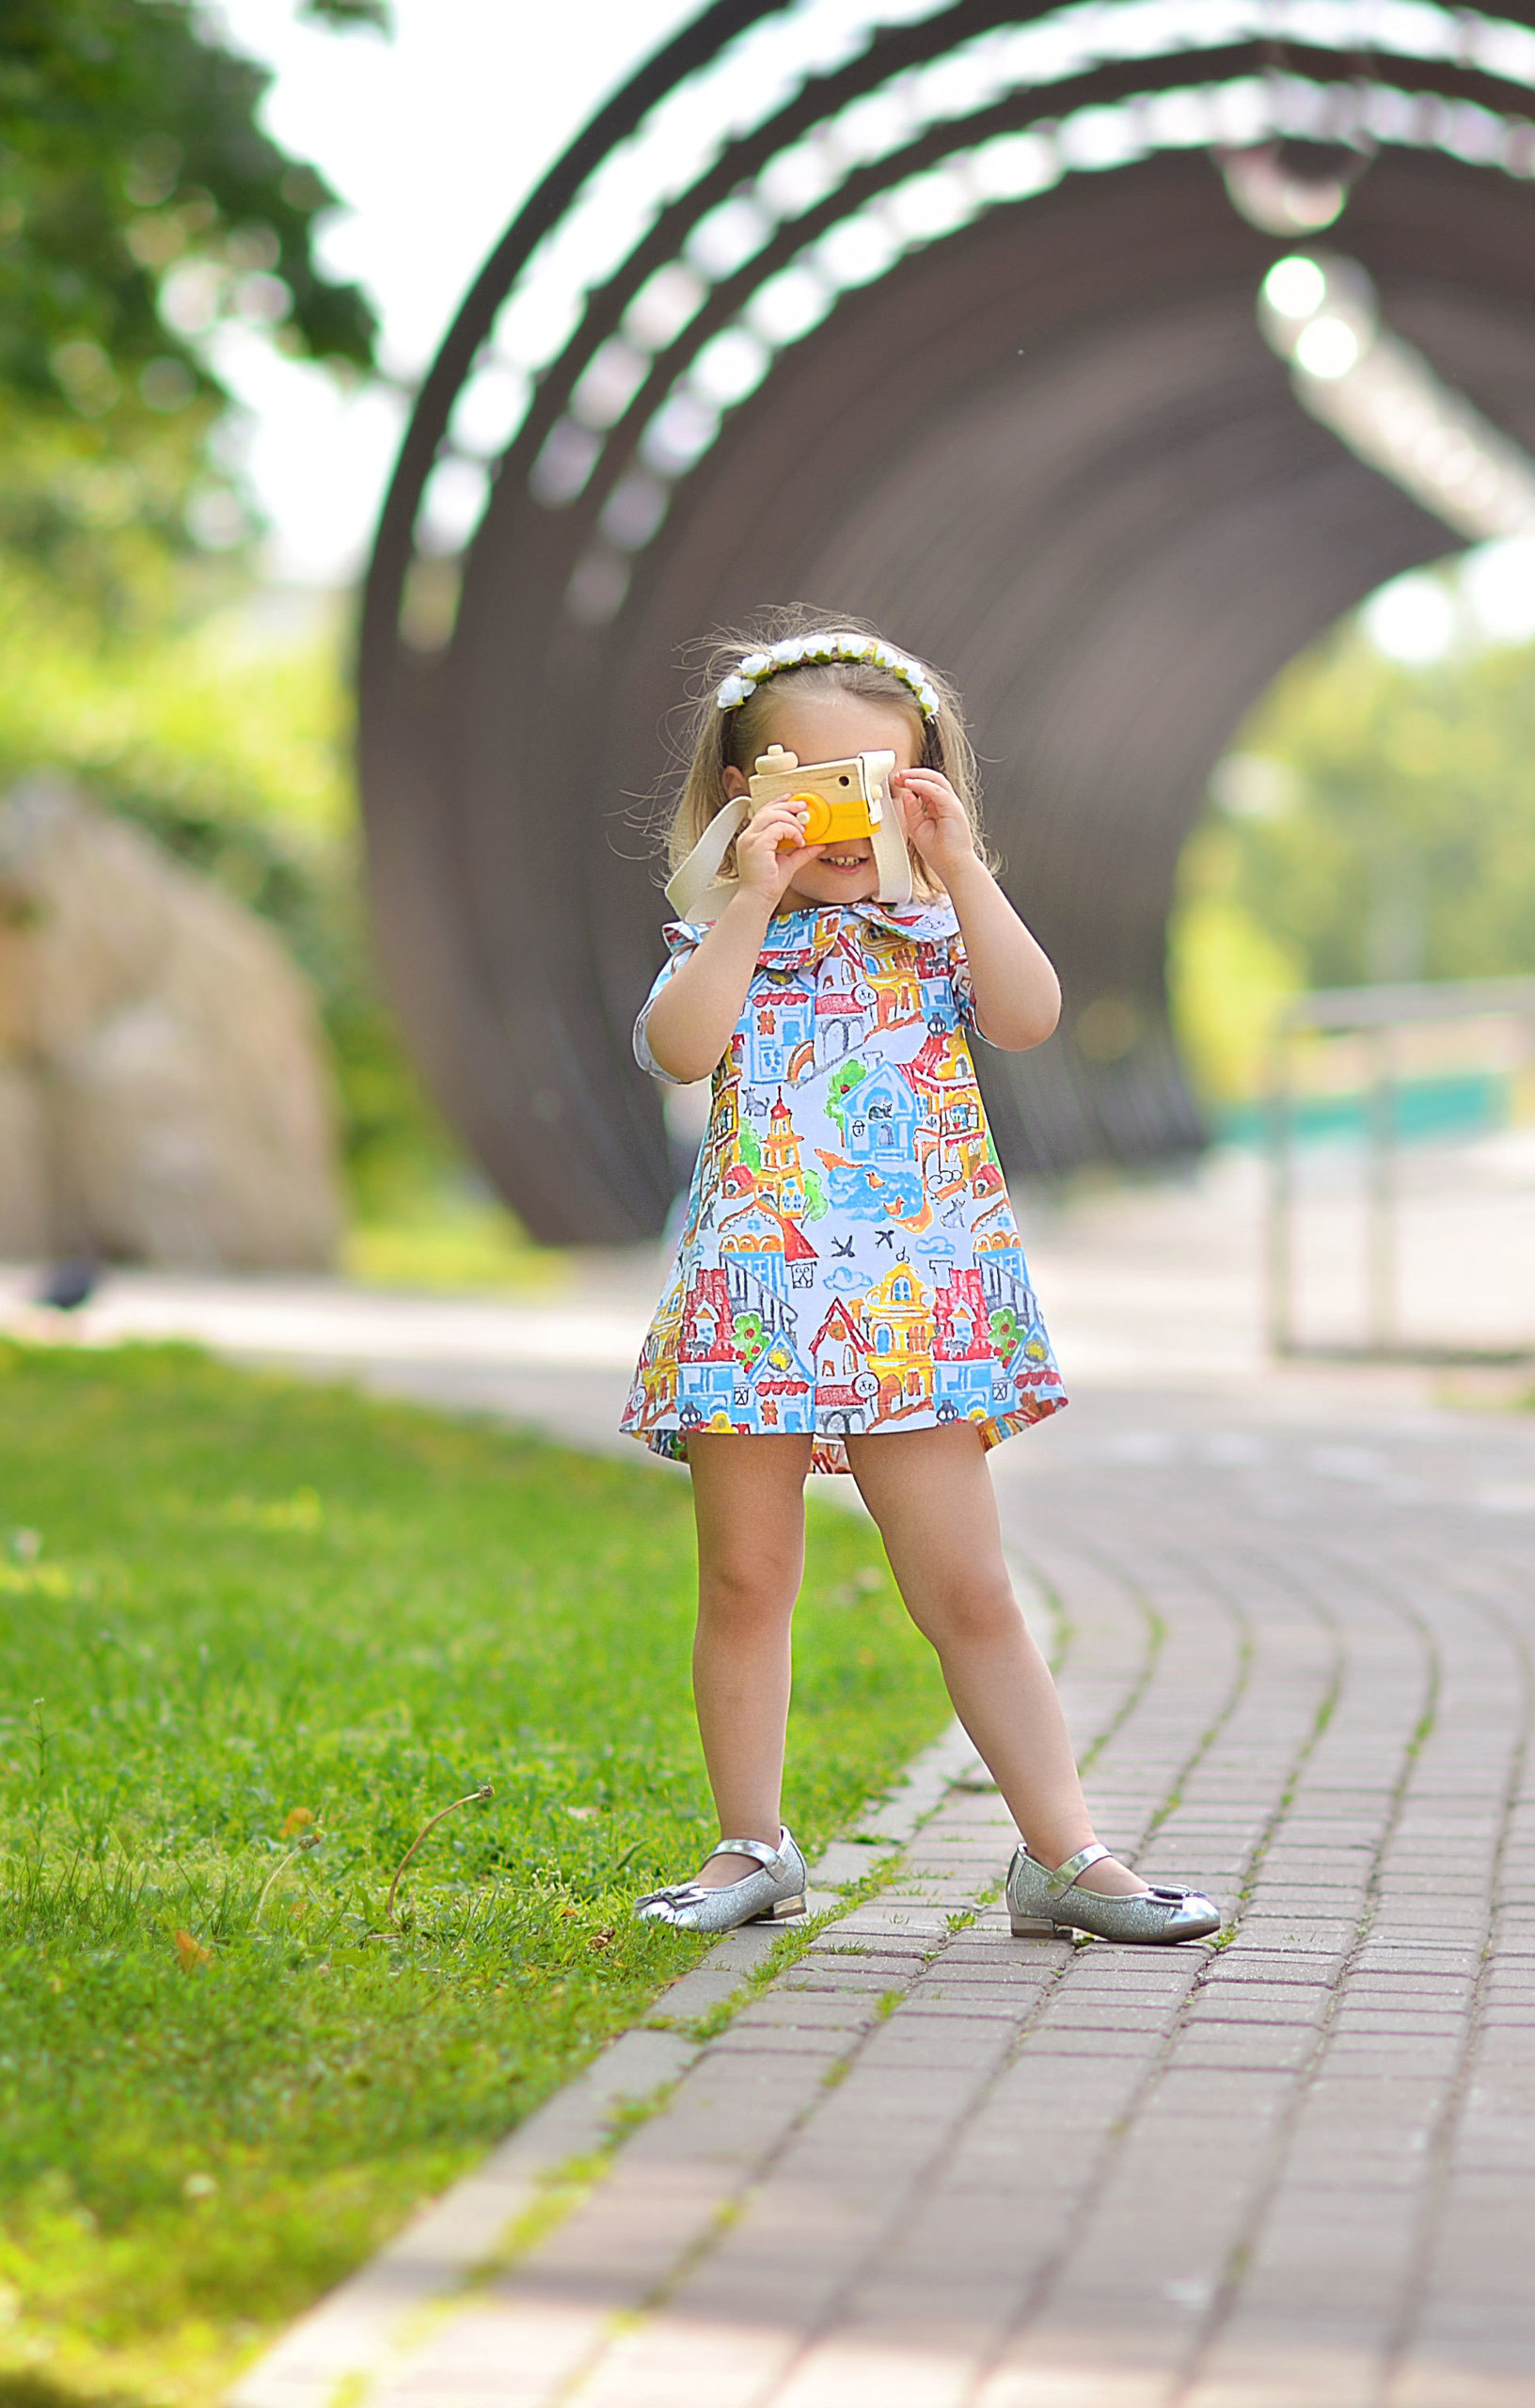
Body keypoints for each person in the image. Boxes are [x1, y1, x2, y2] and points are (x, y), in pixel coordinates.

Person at [620, 610, 1219, 1947]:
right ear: (745, 791)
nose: (845, 821)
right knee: (743, 1578)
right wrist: (751, 895)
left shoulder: (936, 935)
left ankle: (1063, 1854)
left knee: (968, 1589)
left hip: (915, 1310)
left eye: (876, 786)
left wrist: (960, 872)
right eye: (812, 786)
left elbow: (1028, 1017)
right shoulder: (724, 938)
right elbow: (677, 1049)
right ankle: (749, 1845)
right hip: (756, 1302)